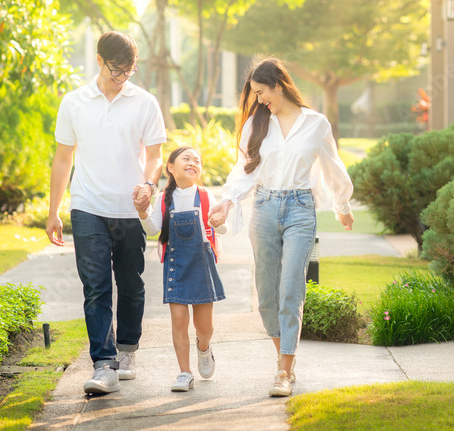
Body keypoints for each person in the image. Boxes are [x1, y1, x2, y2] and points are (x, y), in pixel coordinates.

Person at [208, 57, 354, 398]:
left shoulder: (316, 124)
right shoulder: (257, 126)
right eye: (255, 94)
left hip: (301, 209)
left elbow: (333, 166)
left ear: (279, 85)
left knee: (291, 290)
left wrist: (342, 207)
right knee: (267, 297)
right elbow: (244, 168)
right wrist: (227, 200)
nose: (259, 100)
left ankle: (284, 371)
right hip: (264, 207)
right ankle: (283, 358)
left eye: (262, 92)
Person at [46, 31, 166, 396]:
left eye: (128, 71)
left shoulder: (145, 102)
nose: (122, 78)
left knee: (130, 284)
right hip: (87, 206)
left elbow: (156, 155)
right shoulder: (74, 102)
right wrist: (53, 211)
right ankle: (104, 364)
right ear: (99, 61)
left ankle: (128, 351)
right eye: (116, 71)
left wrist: (148, 185)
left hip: (130, 209)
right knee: (96, 287)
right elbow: (63, 158)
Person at [135, 145, 225, 393]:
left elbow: (220, 227)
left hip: (202, 266)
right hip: (175, 265)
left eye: (198, 160)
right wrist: (142, 211)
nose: (193, 163)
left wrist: (219, 221)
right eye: (187, 158)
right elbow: (153, 229)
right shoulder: (164, 198)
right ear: (171, 168)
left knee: (204, 327)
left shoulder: (206, 196)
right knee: (178, 320)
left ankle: (204, 348)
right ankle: (184, 372)